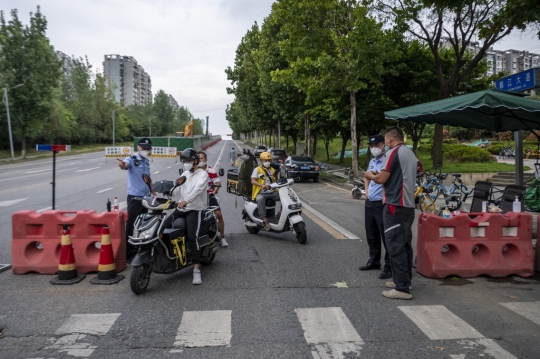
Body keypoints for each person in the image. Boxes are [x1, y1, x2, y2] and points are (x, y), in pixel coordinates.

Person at [363, 126, 417, 300]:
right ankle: (404, 280)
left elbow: (382, 179)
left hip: (395, 204)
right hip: (408, 205)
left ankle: (402, 288)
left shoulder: (394, 152)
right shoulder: (410, 153)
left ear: (388, 140)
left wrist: (370, 175)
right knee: (405, 244)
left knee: (395, 245)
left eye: (385, 140)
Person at [171, 148, 209, 285]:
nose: (186, 163)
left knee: (193, 237)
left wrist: (186, 201)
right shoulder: (185, 174)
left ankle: (196, 270)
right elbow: (177, 191)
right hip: (181, 208)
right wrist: (169, 192)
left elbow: (198, 190)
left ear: (195, 161)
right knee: (163, 226)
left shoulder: (203, 175)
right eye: (184, 161)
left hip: (195, 209)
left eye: (188, 161)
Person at [359, 134, 392, 280]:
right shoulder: (372, 161)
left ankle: (389, 267)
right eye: (372, 146)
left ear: (383, 145)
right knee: (371, 234)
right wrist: (367, 191)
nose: (374, 148)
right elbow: (367, 176)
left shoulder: (387, 161)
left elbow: (384, 178)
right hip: (370, 202)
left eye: (377, 145)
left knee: (385, 236)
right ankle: (374, 261)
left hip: (381, 203)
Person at [117, 137, 153, 262]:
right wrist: (122, 165)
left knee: (142, 225)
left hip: (146, 197)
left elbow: (148, 178)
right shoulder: (132, 159)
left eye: (148, 149)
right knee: (131, 225)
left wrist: (152, 190)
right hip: (135, 198)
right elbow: (125, 165)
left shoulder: (146, 162)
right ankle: (128, 252)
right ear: (138, 147)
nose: (145, 150)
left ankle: (138, 248)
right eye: (143, 148)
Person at [198, 151, 228, 247]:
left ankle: (222, 237)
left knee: (218, 215)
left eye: (201, 158)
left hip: (208, 196)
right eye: (198, 159)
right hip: (197, 197)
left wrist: (213, 193)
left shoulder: (211, 171)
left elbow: (218, 184)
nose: (200, 160)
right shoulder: (194, 171)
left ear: (206, 159)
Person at [250, 151, 279, 231]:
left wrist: (276, 177)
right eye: (265, 160)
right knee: (260, 199)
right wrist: (262, 185)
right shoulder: (257, 169)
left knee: (285, 197)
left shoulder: (272, 170)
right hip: (261, 192)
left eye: (269, 160)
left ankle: (279, 214)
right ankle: (264, 219)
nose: (267, 162)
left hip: (272, 191)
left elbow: (276, 181)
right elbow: (253, 181)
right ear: (261, 161)